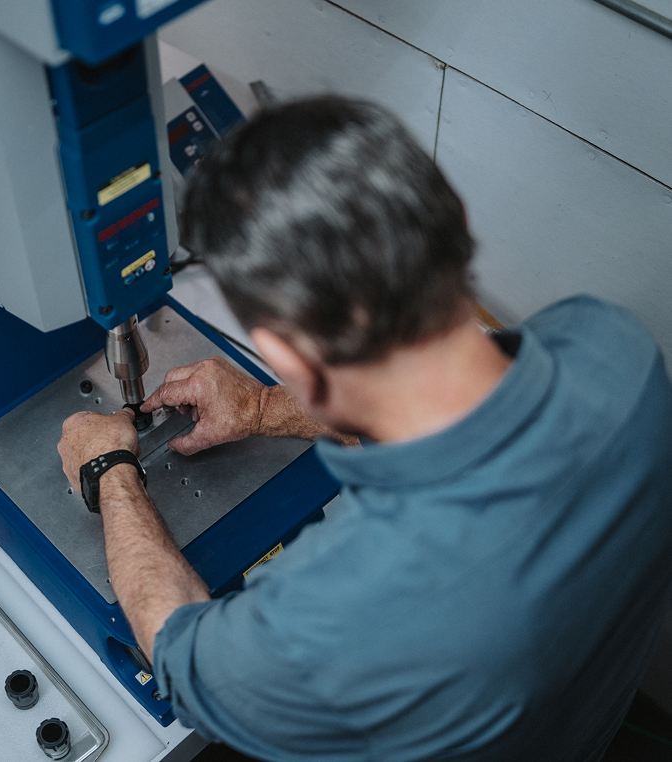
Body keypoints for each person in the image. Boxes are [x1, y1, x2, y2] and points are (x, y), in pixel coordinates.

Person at [57, 96, 672, 761]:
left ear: (288, 354)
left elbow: (183, 657)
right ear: (454, 222)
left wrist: (109, 471)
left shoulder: (345, 607)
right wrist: (265, 409)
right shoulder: (614, 347)